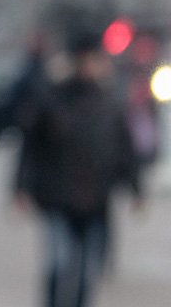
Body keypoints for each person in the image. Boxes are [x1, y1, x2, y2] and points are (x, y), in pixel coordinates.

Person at [13, 22, 143, 307]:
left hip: (95, 201)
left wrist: (135, 188)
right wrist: (20, 186)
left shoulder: (109, 101)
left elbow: (124, 149)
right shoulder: (51, 96)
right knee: (60, 264)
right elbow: (30, 143)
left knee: (87, 271)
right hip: (58, 197)